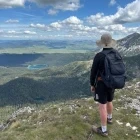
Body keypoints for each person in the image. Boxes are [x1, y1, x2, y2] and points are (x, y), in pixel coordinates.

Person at [90, 33, 117, 137]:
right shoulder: (116, 53)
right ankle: (109, 119)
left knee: (102, 105)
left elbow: (93, 72)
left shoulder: (99, 56)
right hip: (112, 83)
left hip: (101, 84)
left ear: (102, 44)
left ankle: (104, 130)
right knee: (110, 100)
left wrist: (92, 84)